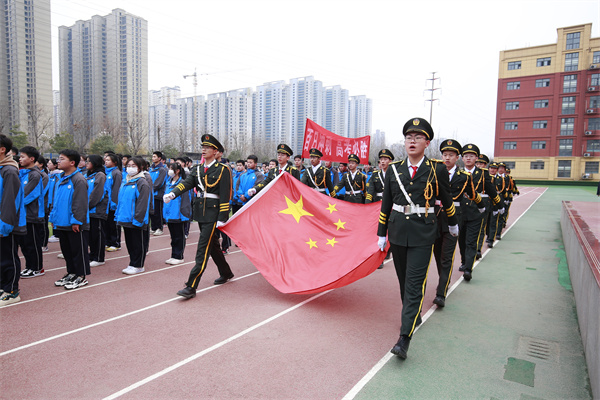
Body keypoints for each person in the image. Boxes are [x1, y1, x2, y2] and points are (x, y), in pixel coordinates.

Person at [377, 118, 459, 360]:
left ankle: (404, 338)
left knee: (415, 282)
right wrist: (381, 233)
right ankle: (412, 315)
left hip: (424, 232)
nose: (412, 141)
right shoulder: (394, 169)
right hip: (398, 230)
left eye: (418, 137)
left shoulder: (438, 169)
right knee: (404, 281)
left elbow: (446, 199)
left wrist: (453, 224)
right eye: (408, 137)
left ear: (427, 143)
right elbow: (386, 203)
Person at [164, 134, 234, 299]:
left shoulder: (223, 170)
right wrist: (173, 194)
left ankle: (191, 286)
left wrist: (222, 218)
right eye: (203, 147)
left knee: (202, 250)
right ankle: (226, 272)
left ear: (215, 151)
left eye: (208, 147)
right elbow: (187, 184)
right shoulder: (197, 169)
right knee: (213, 246)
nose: (204, 150)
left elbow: (226, 196)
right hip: (200, 213)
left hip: (213, 215)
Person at [432, 139, 484, 308]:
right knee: (437, 254)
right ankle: (443, 280)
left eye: (451, 155)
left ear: (457, 158)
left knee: (447, 256)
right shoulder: (434, 172)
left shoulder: (464, 177)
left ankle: (441, 293)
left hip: (453, 219)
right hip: (435, 218)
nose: (447, 158)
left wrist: (482, 206)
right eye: (445, 154)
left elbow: (472, 194)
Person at [458, 145, 501, 281]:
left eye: (471, 156)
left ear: (476, 158)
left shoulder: (483, 174)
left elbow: (491, 190)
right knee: (462, 240)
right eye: (466, 156)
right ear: (462, 158)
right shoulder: (458, 173)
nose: (468, 158)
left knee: (471, 241)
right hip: (460, 212)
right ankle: (464, 261)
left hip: (476, 211)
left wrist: (499, 205)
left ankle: (468, 268)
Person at [50, 149, 91, 290]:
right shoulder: (61, 178)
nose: (58, 161)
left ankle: (81, 276)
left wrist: (76, 221)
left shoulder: (78, 179)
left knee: (78, 250)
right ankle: (71, 272)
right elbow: (56, 201)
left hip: (75, 223)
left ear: (72, 162)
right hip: (62, 221)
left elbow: (80, 203)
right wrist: (53, 217)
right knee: (67, 251)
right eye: (58, 159)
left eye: (62, 159)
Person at [0, 135, 26, 306]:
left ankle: (12, 291)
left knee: (8, 257)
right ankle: (4, 286)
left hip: (6, 224)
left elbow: (11, 201)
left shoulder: (9, 171)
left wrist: (5, 225)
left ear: (2, 149)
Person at [115, 156, 151, 275]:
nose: (130, 168)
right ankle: (132, 263)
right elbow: (121, 200)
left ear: (140, 167)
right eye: (128, 166)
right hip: (126, 218)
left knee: (137, 243)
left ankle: (138, 264)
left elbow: (142, 203)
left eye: (133, 166)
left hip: (136, 219)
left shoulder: (142, 182)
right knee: (130, 243)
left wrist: (138, 219)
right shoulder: (126, 181)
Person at [17, 146, 45, 278]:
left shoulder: (35, 175)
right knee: (24, 243)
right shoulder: (23, 173)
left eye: (23, 157)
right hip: (23, 215)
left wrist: (15, 204)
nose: (20, 159)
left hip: (32, 215)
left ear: (32, 159)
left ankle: (37, 267)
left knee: (32, 243)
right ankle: (29, 266)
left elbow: (31, 195)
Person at [366, 149, 394, 268]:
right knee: (380, 231)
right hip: (378, 206)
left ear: (390, 161)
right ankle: (380, 258)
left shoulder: (394, 174)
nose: (383, 162)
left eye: (385, 159)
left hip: (392, 205)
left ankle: (389, 249)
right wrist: (367, 205)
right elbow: (370, 190)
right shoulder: (375, 175)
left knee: (391, 230)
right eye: (381, 159)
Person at [163, 162, 191, 265]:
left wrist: (184, 214)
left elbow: (186, 200)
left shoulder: (182, 183)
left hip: (178, 213)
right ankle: (173, 255)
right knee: (173, 236)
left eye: (171, 168)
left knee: (179, 236)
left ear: (177, 170)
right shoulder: (168, 182)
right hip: (169, 213)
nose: (169, 170)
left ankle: (179, 256)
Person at [85, 155, 108, 267]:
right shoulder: (88, 175)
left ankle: (99, 257)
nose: (86, 163)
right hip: (88, 210)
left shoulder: (100, 175)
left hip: (97, 210)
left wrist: (87, 205)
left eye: (89, 161)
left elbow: (97, 194)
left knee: (97, 234)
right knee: (91, 235)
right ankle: (92, 254)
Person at [104, 153, 122, 252]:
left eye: (108, 160)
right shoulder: (106, 172)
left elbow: (116, 189)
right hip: (106, 203)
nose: (106, 162)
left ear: (114, 162)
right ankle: (108, 242)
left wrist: (114, 202)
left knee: (113, 224)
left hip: (112, 203)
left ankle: (116, 243)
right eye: (105, 160)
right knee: (107, 224)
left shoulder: (116, 173)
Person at [474, 154, 491, 259]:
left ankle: (478, 248)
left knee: (480, 227)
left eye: (481, 163)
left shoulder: (485, 174)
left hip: (483, 201)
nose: (479, 165)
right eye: (478, 163)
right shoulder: (468, 173)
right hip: (469, 203)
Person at [149, 151, 167, 235]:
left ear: (159, 158)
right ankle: (153, 227)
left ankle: (159, 227)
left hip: (157, 194)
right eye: (152, 157)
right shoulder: (151, 169)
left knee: (158, 212)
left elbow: (159, 183)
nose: (153, 158)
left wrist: (151, 189)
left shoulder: (162, 170)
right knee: (152, 212)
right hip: (150, 193)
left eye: (155, 157)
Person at [46, 158, 61, 244]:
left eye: (50, 163)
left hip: (54, 199)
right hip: (50, 199)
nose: (48, 164)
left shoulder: (57, 176)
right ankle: (55, 234)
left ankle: (56, 234)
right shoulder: (50, 175)